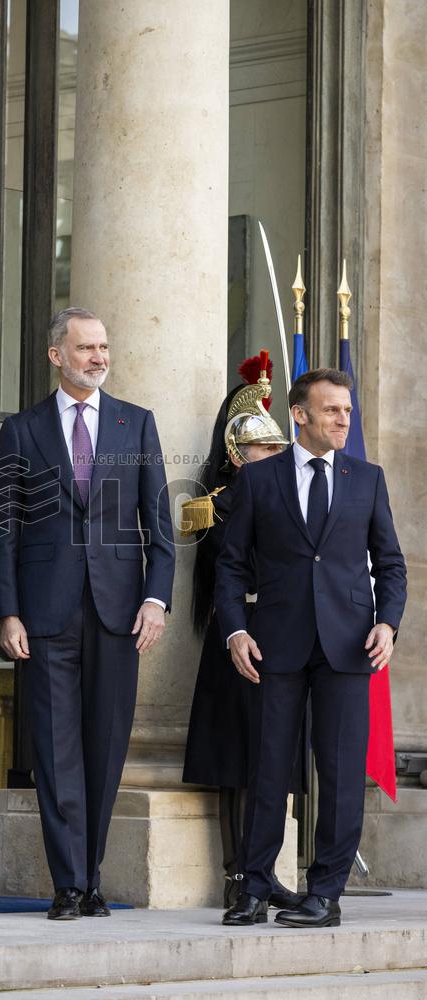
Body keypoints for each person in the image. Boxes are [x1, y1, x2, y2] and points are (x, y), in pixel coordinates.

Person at [0, 307, 175, 920]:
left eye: (103, 347)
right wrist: (8, 612)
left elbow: (160, 525)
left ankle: (91, 877)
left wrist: (156, 598)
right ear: (56, 356)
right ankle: (69, 884)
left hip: (119, 613)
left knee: (105, 749)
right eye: (86, 347)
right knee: (55, 750)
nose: (98, 357)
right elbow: (4, 531)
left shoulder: (136, 423)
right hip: (45, 615)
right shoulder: (21, 430)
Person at [217, 368, 407, 928]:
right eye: (331, 410)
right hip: (274, 645)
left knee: (342, 773)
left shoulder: (367, 478)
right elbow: (230, 566)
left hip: (350, 647)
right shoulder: (259, 479)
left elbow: (391, 565)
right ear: (299, 415)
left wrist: (388, 625)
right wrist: (236, 630)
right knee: (268, 768)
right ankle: (254, 888)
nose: (343, 420)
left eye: (347, 410)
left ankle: (325, 893)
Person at [182, 355, 305, 912]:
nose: (276, 456)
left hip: (283, 633)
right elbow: (227, 568)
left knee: (274, 759)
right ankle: (238, 874)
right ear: (237, 452)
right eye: (264, 449)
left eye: (280, 449)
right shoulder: (212, 507)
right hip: (238, 633)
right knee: (236, 760)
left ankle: (266, 871)